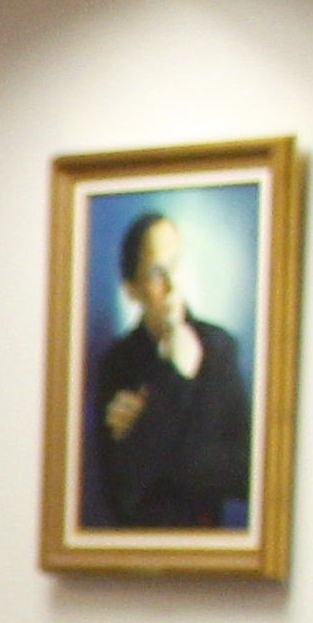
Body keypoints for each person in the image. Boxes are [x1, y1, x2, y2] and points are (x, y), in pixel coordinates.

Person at [85, 207, 257, 531]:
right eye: (157, 272)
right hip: (139, 550)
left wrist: (146, 429)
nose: (174, 283)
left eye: (177, 264)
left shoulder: (220, 348)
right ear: (132, 290)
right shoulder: (117, 364)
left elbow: (245, 475)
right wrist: (176, 376)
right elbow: (123, 493)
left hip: (209, 549)